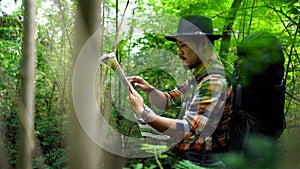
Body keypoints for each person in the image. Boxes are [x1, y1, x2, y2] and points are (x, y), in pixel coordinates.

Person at [128, 15, 232, 168]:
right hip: (192, 160)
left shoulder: (213, 81)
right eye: (178, 46)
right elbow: (168, 100)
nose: (179, 52)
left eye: (183, 45)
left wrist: (144, 114)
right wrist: (148, 90)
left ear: (203, 43)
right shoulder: (199, 76)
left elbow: (188, 131)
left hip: (204, 163)